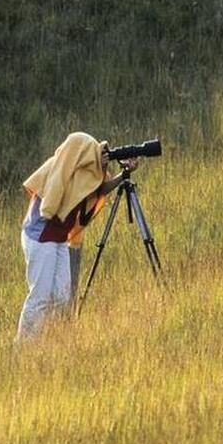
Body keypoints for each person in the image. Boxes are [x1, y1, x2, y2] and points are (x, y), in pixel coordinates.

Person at [15, 131, 138, 343]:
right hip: (40, 238)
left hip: (59, 239)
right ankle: (22, 347)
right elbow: (82, 189)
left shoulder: (81, 176)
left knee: (63, 299)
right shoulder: (59, 171)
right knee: (40, 297)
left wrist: (122, 175)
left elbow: (96, 189)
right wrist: (101, 168)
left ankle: (49, 344)